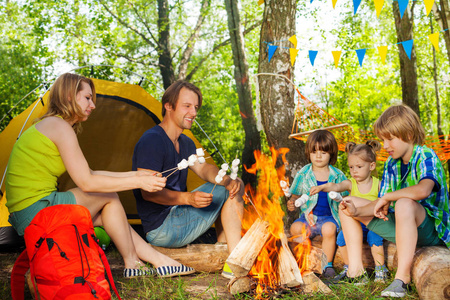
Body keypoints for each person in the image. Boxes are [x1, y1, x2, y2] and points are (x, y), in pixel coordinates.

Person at [5, 73, 194, 278]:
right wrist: (139, 180)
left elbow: (91, 173)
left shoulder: (53, 125)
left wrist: (135, 175)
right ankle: (132, 262)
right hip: (36, 210)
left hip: (26, 212)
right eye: (87, 98)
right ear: (69, 96)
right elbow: (87, 182)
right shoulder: (59, 127)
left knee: (107, 215)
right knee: (108, 196)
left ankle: (159, 261)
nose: (93, 105)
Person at [132, 80, 244, 278]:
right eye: (187, 106)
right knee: (232, 189)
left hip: (178, 215)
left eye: (195, 107)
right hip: (161, 228)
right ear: (168, 106)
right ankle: (236, 262)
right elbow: (147, 193)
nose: (193, 112)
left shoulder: (185, 142)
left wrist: (226, 180)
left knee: (234, 184)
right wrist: (188, 199)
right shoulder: (152, 140)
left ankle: (224, 250)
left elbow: (203, 169)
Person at [339, 104, 450, 297]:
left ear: (407, 134)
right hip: (401, 227)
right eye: (383, 139)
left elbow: (423, 190)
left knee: (404, 203)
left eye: (390, 139)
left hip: (431, 229)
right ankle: (356, 272)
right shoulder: (392, 163)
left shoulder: (425, 155)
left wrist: (389, 197)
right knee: (347, 203)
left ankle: (402, 279)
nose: (385, 145)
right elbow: (380, 202)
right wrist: (356, 212)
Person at [310, 140, 388, 283]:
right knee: (341, 238)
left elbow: (385, 203)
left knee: (374, 237)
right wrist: (322, 187)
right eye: (351, 167)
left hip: (373, 223)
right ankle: (349, 267)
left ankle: (380, 269)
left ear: (371, 166)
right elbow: (336, 185)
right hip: (355, 226)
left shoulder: (378, 184)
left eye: (359, 166)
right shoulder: (350, 183)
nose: (354, 171)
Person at [286, 130, 347, 278]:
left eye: (323, 152)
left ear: (331, 154)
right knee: (295, 227)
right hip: (308, 217)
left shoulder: (338, 175)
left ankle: (327, 265)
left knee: (328, 230)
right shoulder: (303, 173)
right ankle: (305, 257)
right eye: (314, 152)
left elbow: (345, 198)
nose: (318, 156)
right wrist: (292, 203)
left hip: (329, 217)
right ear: (308, 152)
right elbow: (295, 196)